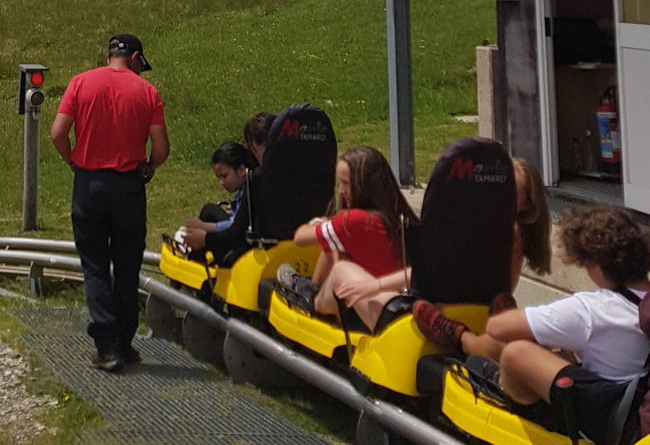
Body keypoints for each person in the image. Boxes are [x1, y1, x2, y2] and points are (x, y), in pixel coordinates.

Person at [482, 205, 650, 444]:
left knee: (515, 352)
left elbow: (497, 327)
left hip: (610, 418)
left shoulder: (593, 309)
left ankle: (498, 383)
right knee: (554, 352)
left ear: (596, 265)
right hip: (639, 402)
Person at [50, 33, 169, 372]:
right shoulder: (147, 92)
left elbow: (58, 132)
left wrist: (72, 160)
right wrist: (150, 167)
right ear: (134, 58)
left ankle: (107, 348)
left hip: (89, 184)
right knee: (128, 265)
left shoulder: (81, 83)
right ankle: (125, 342)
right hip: (129, 186)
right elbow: (161, 149)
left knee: (95, 266)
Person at [414, 157, 552, 360]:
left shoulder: (512, 234)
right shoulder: (480, 224)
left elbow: (496, 284)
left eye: (509, 193)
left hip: (472, 304)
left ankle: (459, 336)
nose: (498, 197)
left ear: (527, 204)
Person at [277, 145, 409, 326]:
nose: (340, 191)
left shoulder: (352, 221)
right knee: (336, 241)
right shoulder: (399, 216)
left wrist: (319, 221)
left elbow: (300, 238)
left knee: (339, 261)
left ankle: (310, 297)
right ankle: (311, 288)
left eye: (346, 183)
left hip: (369, 308)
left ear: (364, 186)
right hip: (393, 297)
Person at [177, 141, 253, 261]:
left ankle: (195, 249)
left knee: (209, 211)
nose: (221, 182)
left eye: (224, 176)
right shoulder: (244, 191)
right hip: (237, 236)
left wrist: (205, 227)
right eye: (218, 178)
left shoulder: (250, 191)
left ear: (242, 170)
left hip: (239, 241)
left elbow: (236, 225)